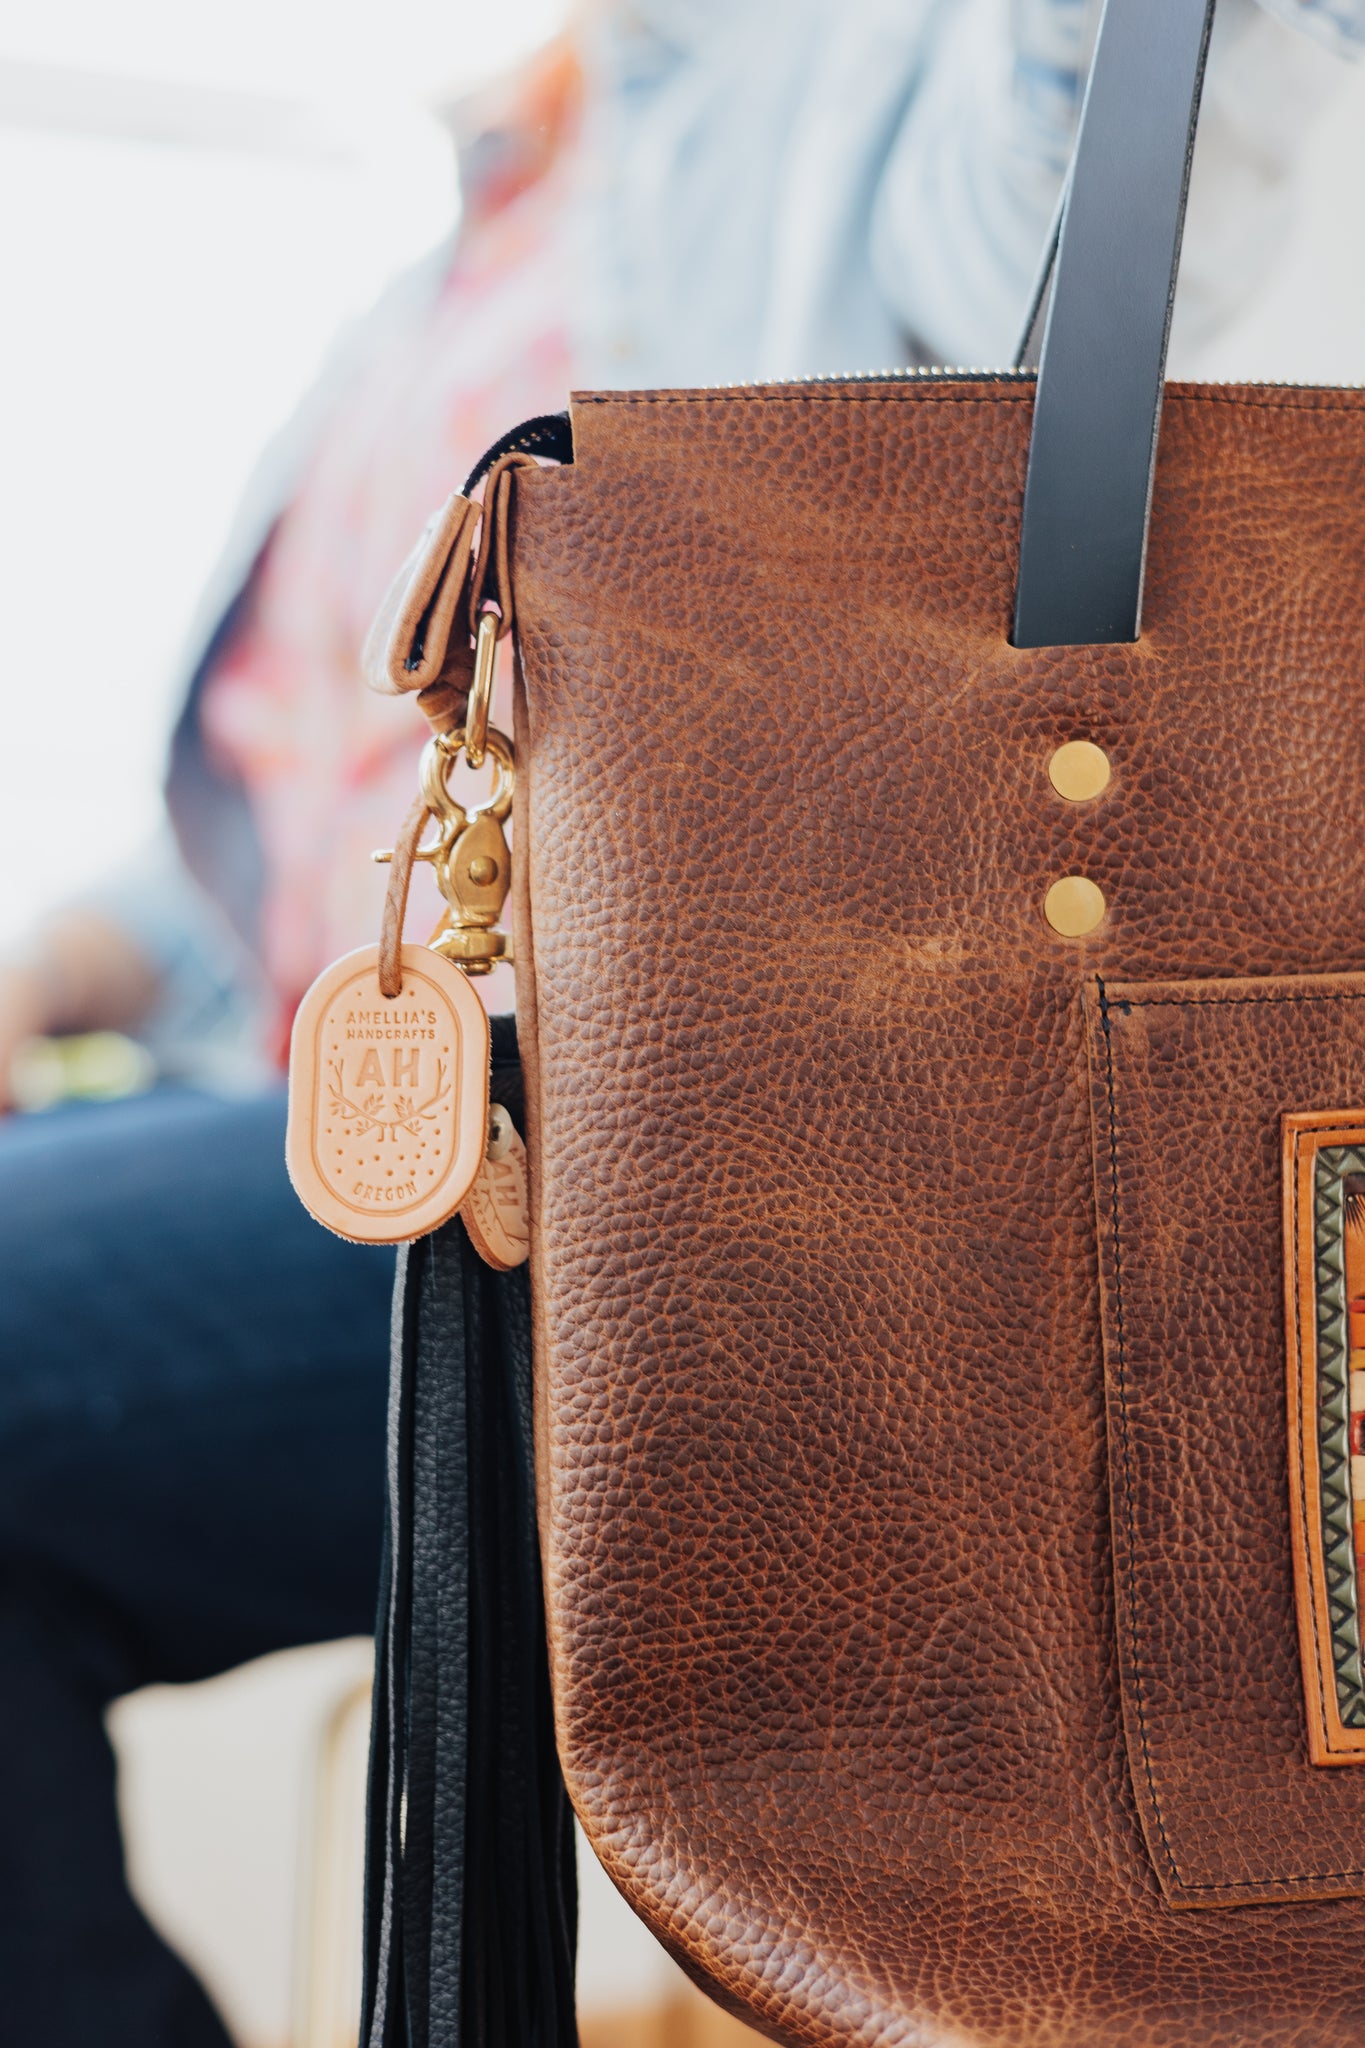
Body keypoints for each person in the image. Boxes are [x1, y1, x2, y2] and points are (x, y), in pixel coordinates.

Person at [0, 2, 1359, 2040]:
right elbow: (322, 789)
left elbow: (1023, 259)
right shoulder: (457, 229)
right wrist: (68, 963)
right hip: (312, 1064)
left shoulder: (823, 66)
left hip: (675, 1134)